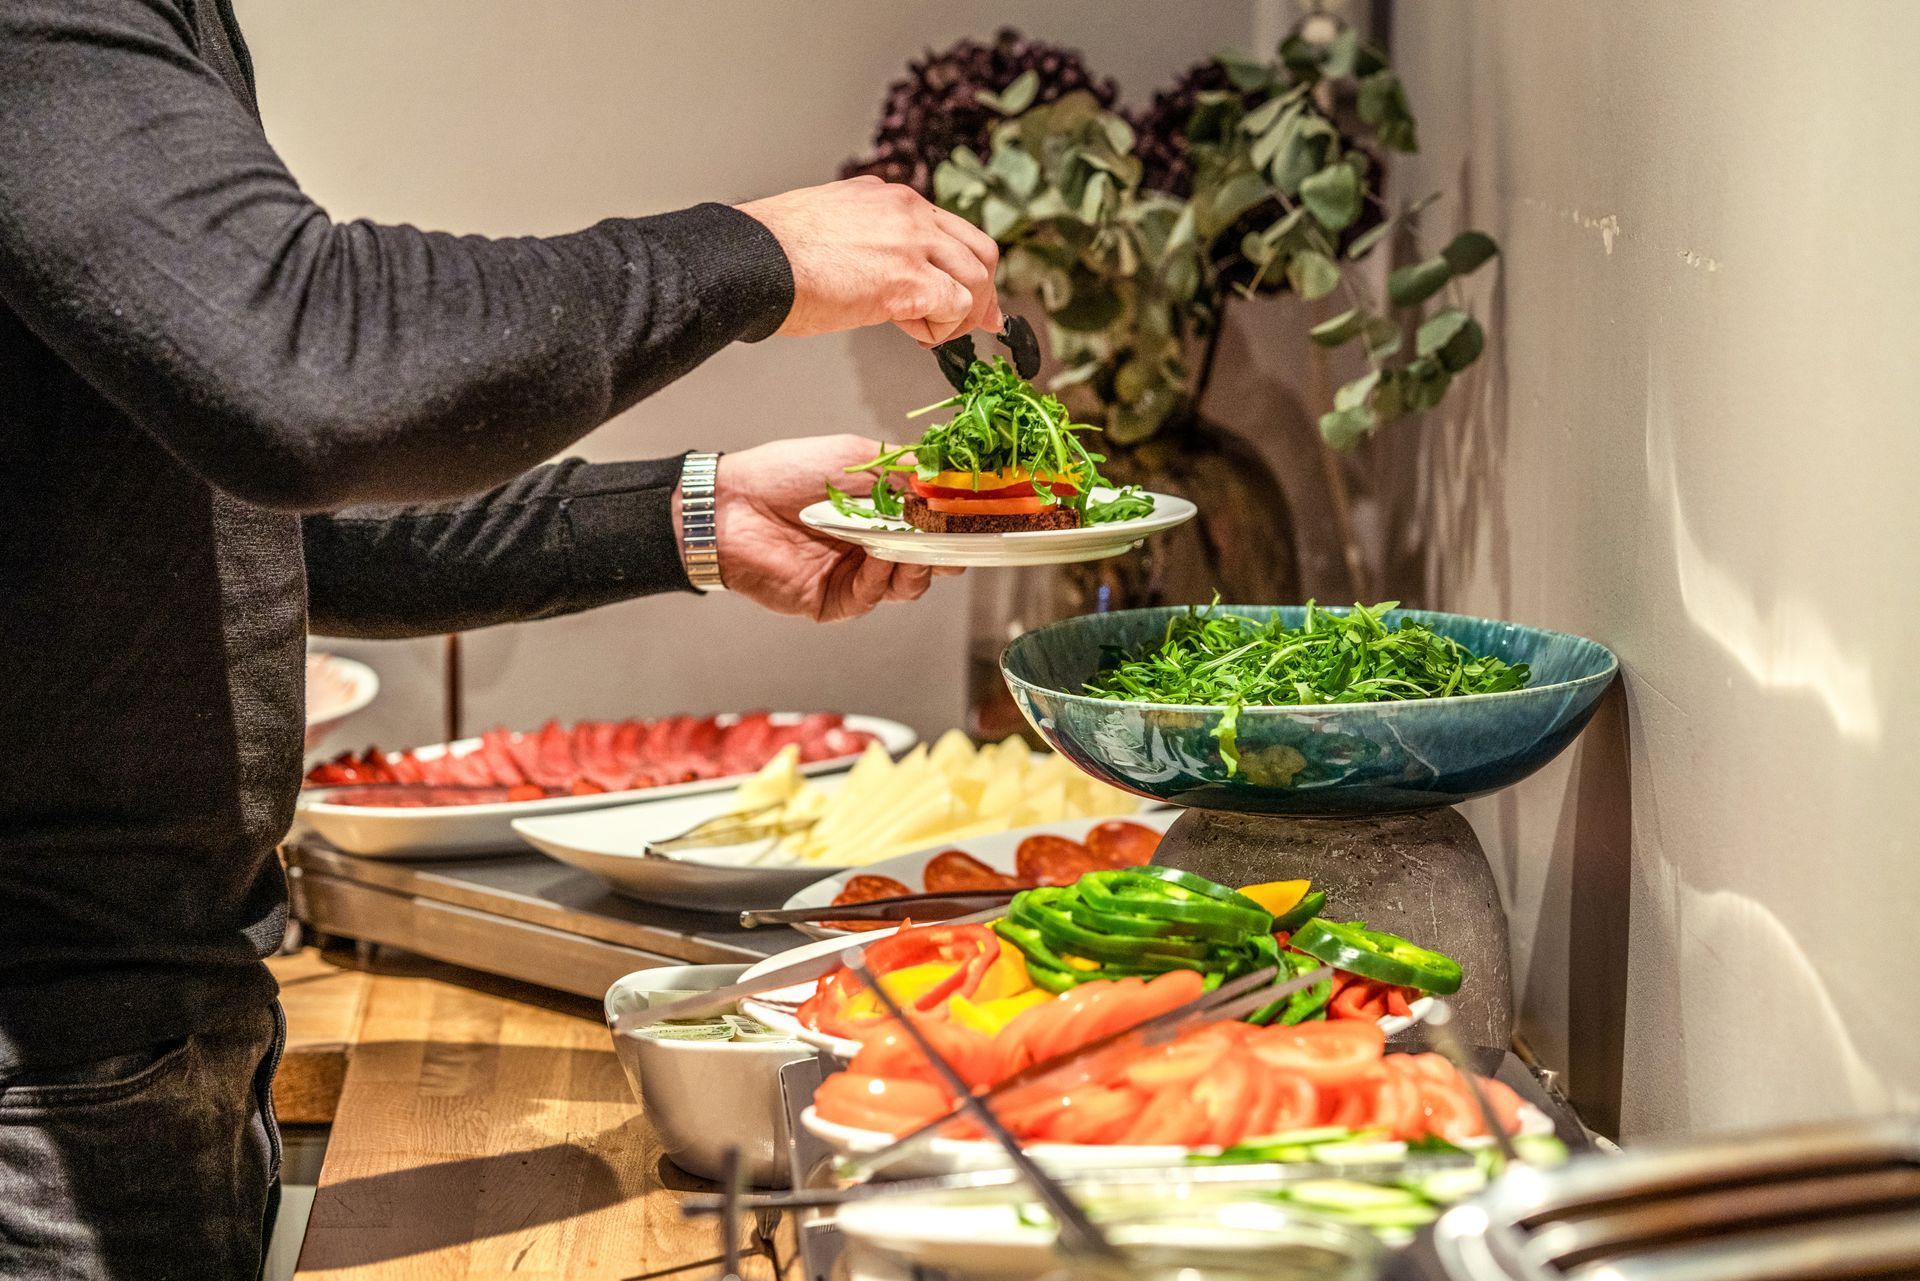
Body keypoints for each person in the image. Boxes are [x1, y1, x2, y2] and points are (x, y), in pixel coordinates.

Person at [0, 2, 1002, 1277]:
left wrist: (694, 516)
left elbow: (217, 520)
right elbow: (311, 370)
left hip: (141, 1037)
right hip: (42, 1073)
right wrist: (756, 252)